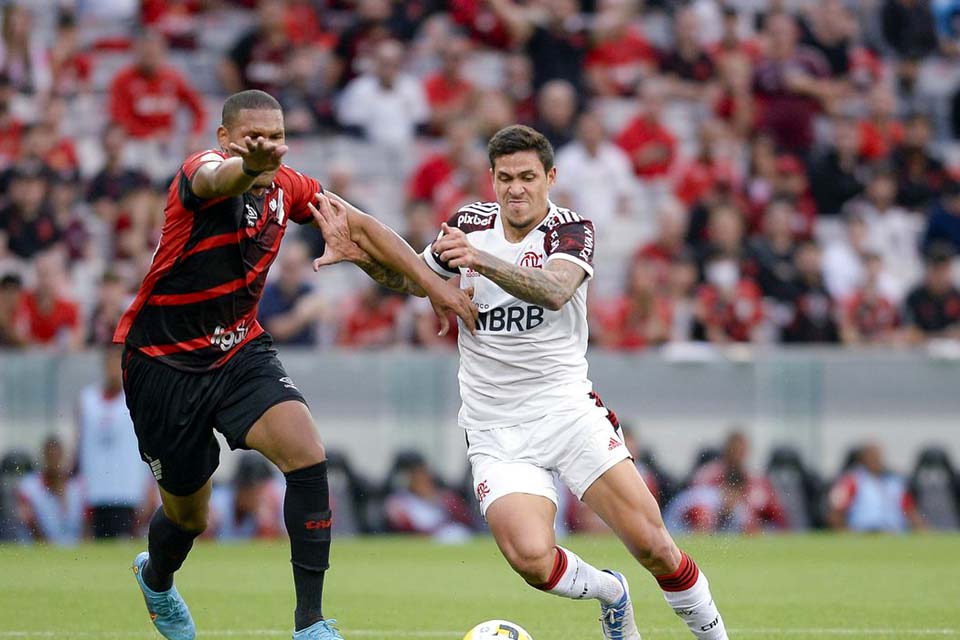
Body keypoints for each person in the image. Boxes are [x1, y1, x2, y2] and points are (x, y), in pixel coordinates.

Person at [313, 125, 728, 640]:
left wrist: (480, 260)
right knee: (531, 559)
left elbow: (554, 291)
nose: (516, 188)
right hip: (495, 427)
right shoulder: (469, 225)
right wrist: (365, 259)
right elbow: (411, 279)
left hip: (567, 412)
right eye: (505, 177)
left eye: (528, 177)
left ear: (550, 177)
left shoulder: (570, 230)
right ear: (491, 179)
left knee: (655, 547)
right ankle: (612, 594)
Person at [113, 89, 478, 640]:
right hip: (165, 366)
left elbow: (361, 226)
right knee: (190, 516)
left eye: (277, 140)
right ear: (225, 140)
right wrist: (248, 164)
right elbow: (220, 179)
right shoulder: (201, 174)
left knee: (306, 453)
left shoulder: (288, 186)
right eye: (254, 139)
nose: (269, 149)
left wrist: (436, 289)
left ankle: (310, 623)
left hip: (239, 351)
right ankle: (158, 579)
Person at [77, 345, 149, 538]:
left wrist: (150, 485)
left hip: (128, 490)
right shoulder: (88, 400)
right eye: (109, 363)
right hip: (96, 490)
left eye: (117, 364)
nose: (112, 369)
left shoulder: (137, 397)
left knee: (125, 543)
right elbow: (81, 443)